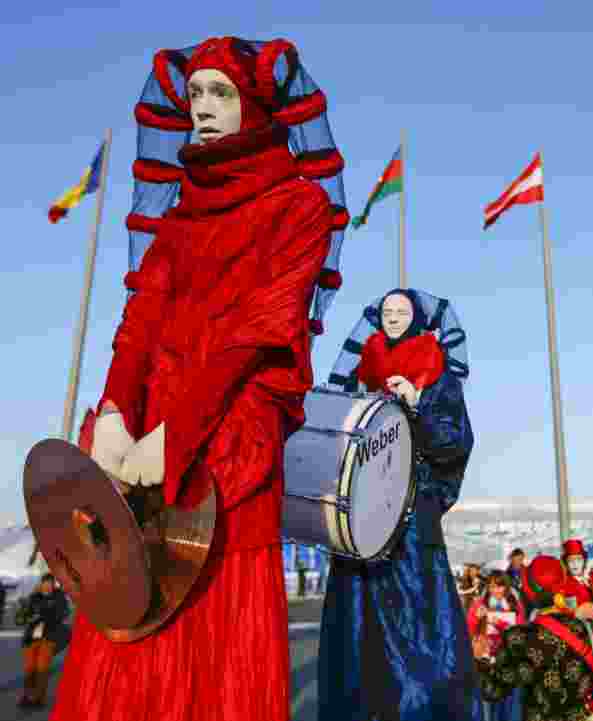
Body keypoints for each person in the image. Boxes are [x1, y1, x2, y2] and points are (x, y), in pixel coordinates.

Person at [51, 36, 346, 721]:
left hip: (229, 447)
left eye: (222, 93)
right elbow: (140, 320)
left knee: (220, 644)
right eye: (195, 96)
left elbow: (257, 331)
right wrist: (118, 411)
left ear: (255, 104)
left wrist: (174, 432)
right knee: (129, 625)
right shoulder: (177, 222)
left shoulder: (299, 207)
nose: (204, 108)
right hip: (150, 446)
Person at [319, 288, 480, 721]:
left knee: (418, 629)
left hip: (411, 524)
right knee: (357, 631)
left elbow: (455, 444)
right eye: (386, 312)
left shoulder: (439, 376)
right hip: (356, 523)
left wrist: (416, 404)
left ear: (417, 319)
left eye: (401, 312)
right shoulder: (360, 373)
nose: (392, 318)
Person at [473, 555, 593, 721]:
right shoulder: (591, 628)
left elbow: (492, 690)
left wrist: (478, 659)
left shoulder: (518, 637)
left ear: (530, 591)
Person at [467, 574, 525, 721]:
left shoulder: (515, 605)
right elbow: (469, 630)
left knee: (510, 703)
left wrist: (498, 622)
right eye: (492, 586)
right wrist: (477, 618)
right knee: (487, 701)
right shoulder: (479, 604)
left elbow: (521, 631)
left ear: (506, 587)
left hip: (509, 660)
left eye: (500, 585)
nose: (496, 590)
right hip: (486, 662)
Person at [17, 574, 69, 708]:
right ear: (41, 584)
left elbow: (63, 613)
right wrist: (24, 615)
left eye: (50, 584)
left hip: (48, 637)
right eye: (45, 583)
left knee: (42, 668)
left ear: (53, 584)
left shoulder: (59, 597)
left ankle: (39, 698)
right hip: (31, 638)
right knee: (29, 669)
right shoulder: (33, 597)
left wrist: (42, 615)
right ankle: (27, 696)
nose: (47, 586)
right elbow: (22, 617)